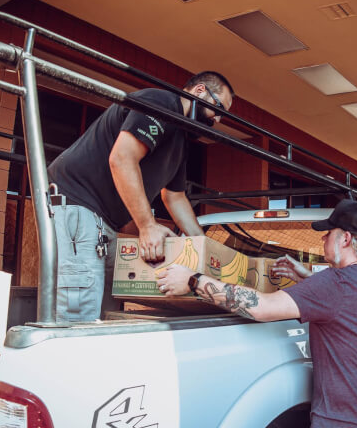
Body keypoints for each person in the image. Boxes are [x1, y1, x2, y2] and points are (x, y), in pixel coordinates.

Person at [156, 199, 357, 428]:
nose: (323, 238)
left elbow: (262, 307)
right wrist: (305, 278)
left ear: (345, 239)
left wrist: (194, 280)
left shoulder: (334, 284)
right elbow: (346, 303)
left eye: (328, 232)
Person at [46, 71, 234, 322]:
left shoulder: (180, 139)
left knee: (106, 309)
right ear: (200, 91)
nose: (218, 119)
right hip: (78, 202)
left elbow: (175, 197)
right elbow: (122, 158)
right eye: (218, 108)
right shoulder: (161, 103)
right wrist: (147, 226)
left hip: (104, 222)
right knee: (80, 310)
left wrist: (204, 249)